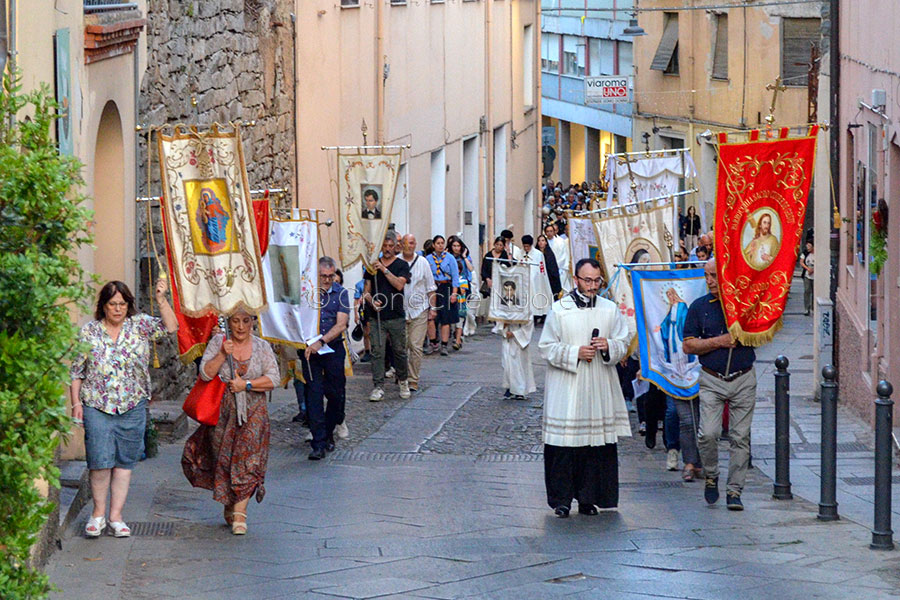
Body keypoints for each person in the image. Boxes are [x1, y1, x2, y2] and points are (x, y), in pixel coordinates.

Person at [70, 280, 178, 538]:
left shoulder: (139, 326)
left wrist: (161, 299)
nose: (118, 309)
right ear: (103, 306)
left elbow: (171, 327)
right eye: (112, 304)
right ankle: (98, 515)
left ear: (129, 305)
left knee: (124, 462)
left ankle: (116, 517)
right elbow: (76, 371)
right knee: (99, 461)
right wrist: (76, 404)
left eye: (122, 304)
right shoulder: (89, 332)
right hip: (97, 404)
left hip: (132, 404)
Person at [539, 258, 632, 517]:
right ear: (576, 280)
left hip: (598, 386)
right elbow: (546, 347)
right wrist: (574, 353)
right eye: (587, 280)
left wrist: (609, 346)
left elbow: (623, 342)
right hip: (567, 387)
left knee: (594, 445)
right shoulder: (559, 309)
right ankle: (562, 500)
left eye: (596, 280)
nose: (592, 286)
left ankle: (588, 498)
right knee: (565, 445)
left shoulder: (610, 309)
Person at [182, 309, 279, 534]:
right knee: (223, 459)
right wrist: (222, 355)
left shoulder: (262, 347)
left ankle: (240, 514)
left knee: (249, 459)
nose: (241, 326)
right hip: (223, 411)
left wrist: (247, 384)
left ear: (253, 322)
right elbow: (205, 374)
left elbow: (273, 378)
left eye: (246, 321)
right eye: (235, 321)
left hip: (253, 410)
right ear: (229, 322)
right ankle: (230, 503)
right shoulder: (219, 342)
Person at [683, 258, 757, 511]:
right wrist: (719, 341)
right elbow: (688, 345)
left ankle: (735, 490)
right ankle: (712, 473)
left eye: (714, 275)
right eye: (706, 276)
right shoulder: (699, 306)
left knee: (740, 437)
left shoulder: (744, 305)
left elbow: (763, 332)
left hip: (743, 378)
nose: (710, 281)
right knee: (708, 433)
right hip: (712, 378)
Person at [299, 257, 349, 460]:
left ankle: (328, 431)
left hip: (332, 347)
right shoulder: (306, 293)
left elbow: (341, 324)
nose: (327, 280)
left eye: (330, 276)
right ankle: (318, 442)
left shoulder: (341, 293)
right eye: (323, 276)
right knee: (314, 393)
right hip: (309, 351)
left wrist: (322, 341)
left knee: (336, 394)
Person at [363, 230, 411, 401]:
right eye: (385, 246)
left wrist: (384, 269)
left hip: (396, 315)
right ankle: (378, 386)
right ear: (381, 247)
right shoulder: (372, 266)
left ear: (396, 247)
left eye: (391, 246)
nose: (388, 249)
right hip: (377, 317)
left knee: (399, 351)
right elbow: (366, 291)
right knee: (377, 351)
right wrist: (371, 301)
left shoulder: (402, 265)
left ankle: (403, 380)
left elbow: (399, 285)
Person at [401, 233, 436, 392]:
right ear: (401, 245)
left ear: (415, 245)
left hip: (419, 310)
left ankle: (413, 379)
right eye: (407, 243)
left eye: (412, 243)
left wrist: (433, 309)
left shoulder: (423, 262)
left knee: (415, 347)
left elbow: (430, 287)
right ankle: (402, 376)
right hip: (400, 311)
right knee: (401, 347)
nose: (409, 246)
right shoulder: (396, 261)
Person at [426, 235, 460, 356]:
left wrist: (454, 293)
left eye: (442, 243)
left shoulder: (450, 258)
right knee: (430, 316)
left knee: (446, 318)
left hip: (446, 287)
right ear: (433, 245)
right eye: (438, 243)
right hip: (433, 287)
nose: (440, 245)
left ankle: (444, 344)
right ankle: (433, 342)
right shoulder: (428, 259)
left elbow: (455, 276)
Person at [448, 235, 474, 350]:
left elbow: (471, 269)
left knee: (461, 312)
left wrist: (464, 257)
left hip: (463, 285)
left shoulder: (464, 258)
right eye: (454, 246)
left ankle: (458, 337)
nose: (456, 248)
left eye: (458, 246)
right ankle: (455, 334)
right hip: (451, 285)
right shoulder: (448, 257)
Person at [522, 235, 553, 323]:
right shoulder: (520, 253)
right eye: (524, 246)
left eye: (528, 246)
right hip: (524, 279)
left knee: (537, 296)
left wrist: (535, 276)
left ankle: (536, 314)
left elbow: (541, 268)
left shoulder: (538, 254)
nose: (526, 248)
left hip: (536, 280)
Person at [545, 222, 572, 293]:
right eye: (547, 231)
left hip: (559, 268)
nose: (549, 233)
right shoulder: (543, 242)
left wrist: (555, 267)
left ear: (554, 232)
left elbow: (563, 256)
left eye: (551, 231)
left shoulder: (560, 242)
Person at [536, 234, 562, 299]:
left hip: (549, 278)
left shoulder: (550, 254)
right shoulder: (535, 253)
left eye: (543, 240)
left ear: (546, 242)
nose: (541, 242)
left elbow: (553, 268)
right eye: (539, 241)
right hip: (538, 278)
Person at [801, 239, 815, 316]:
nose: (808, 247)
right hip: (807, 275)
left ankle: (813, 307)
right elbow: (801, 262)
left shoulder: (817, 254)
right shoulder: (805, 253)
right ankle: (806, 308)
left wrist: (813, 269)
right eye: (807, 246)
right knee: (807, 290)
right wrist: (808, 269)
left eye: (809, 246)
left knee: (814, 291)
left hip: (815, 275)